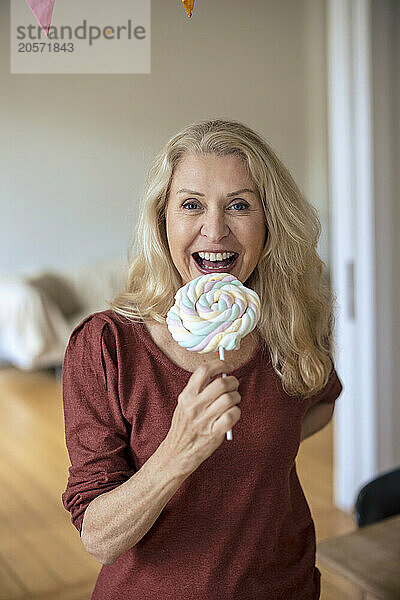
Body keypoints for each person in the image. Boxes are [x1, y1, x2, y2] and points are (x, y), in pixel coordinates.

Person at [62, 118, 343, 600]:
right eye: (191, 205)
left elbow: (321, 402)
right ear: (162, 221)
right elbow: (100, 538)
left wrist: (260, 447)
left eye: (239, 205)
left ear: (269, 221)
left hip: (286, 586)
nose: (214, 230)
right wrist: (180, 450)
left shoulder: (289, 325)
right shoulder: (107, 346)